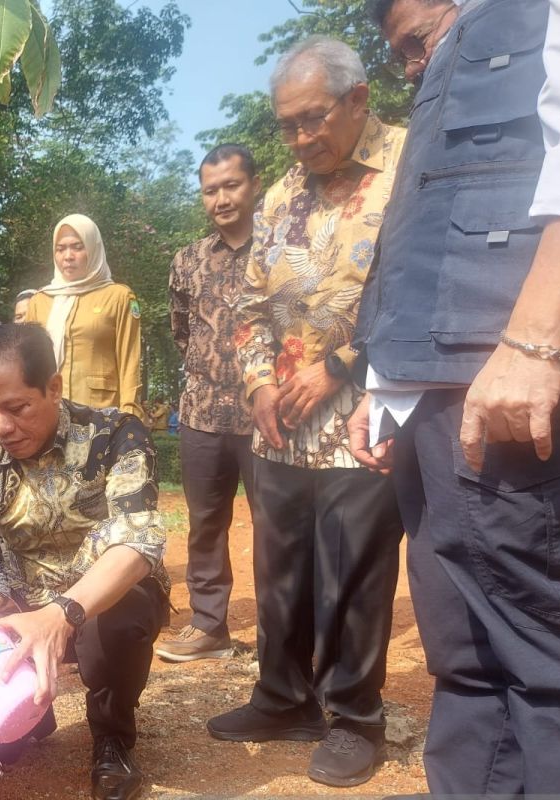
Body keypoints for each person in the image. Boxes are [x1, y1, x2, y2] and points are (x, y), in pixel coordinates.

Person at [348, 0, 560, 793]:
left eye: (418, 38)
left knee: (551, 672)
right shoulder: (469, 45)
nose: (412, 59)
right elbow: (425, 227)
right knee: (465, 660)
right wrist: (383, 391)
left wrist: (536, 340)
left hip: (506, 389)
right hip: (438, 399)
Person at [210, 37, 406, 788]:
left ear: (358, 99)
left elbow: (419, 287)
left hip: (369, 406)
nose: (300, 139)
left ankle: (355, 716)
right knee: (282, 566)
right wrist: (259, 382)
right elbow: (253, 300)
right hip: (281, 424)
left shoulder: (407, 169)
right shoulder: (285, 192)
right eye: (287, 125)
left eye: (313, 119)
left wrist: (342, 365)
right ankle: (283, 696)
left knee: (354, 569)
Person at [0, 322, 168, 800]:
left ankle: (112, 738)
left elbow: (138, 547)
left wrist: (61, 614)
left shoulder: (116, 436)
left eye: (16, 408)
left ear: (53, 386)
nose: (1, 428)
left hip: (102, 601)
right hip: (22, 613)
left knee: (115, 625)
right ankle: (24, 711)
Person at [158, 143, 260, 663]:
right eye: (210, 190)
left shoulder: (281, 251)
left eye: (231, 185)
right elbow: (182, 331)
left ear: (254, 185)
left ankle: (286, 632)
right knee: (205, 522)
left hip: (269, 416)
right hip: (201, 415)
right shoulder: (188, 260)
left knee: (276, 525)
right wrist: (210, 375)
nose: (221, 198)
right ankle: (208, 626)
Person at [24, 214, 143, 419]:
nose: (68, 256)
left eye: (78, 247)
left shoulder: (119, 296)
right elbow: (27, 362)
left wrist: (129, 415)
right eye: (60, 249)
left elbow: (129, 360)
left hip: (102, 415)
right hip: (50, 413)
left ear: (93, 248)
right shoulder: (40, 300)